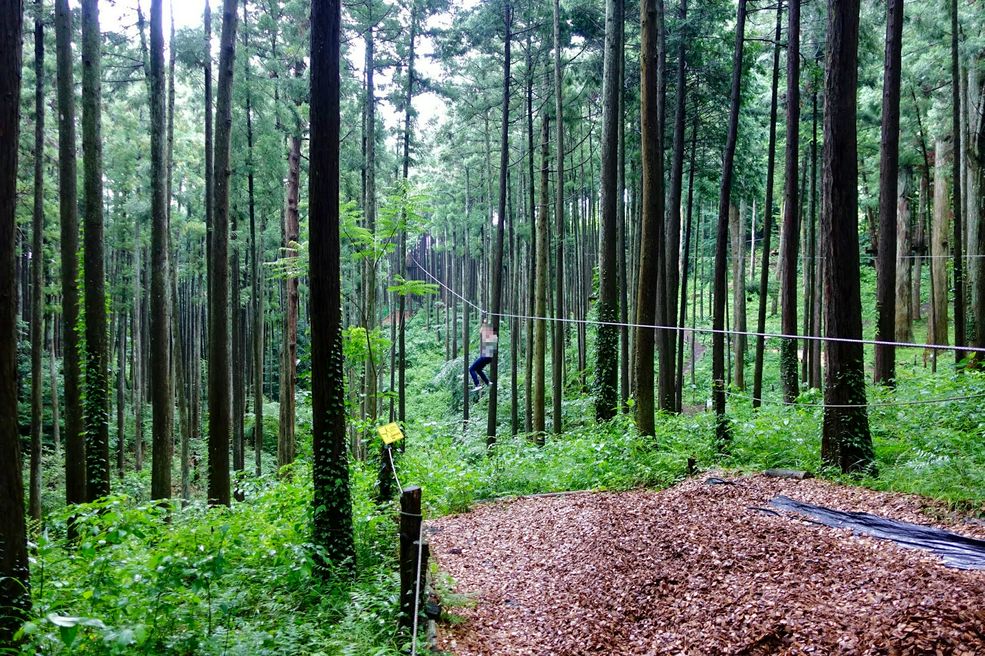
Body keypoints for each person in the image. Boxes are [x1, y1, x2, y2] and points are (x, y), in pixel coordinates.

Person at [469, 319, 498, 392]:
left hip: (485, 356)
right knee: (478, 369)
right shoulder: (494, 337)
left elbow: (481, 331)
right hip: (489, 358)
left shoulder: (489, 337)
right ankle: (487, 382)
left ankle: (477, 385)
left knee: (471, 369)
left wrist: (484, 323)